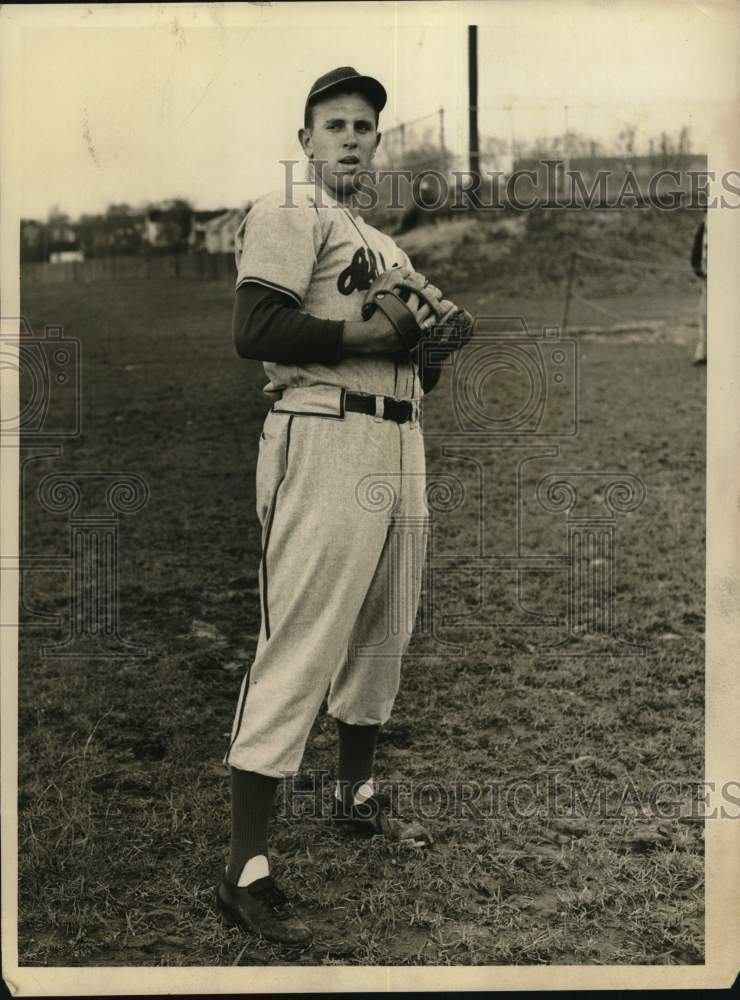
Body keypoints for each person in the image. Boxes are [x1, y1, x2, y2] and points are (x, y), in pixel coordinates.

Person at [216, 67, 456, 947]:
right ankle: (246, 870)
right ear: (308, 136)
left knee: (384, 627)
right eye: (336, 123)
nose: (352, 136)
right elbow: (255, 330)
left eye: (365, 125)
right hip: (321, 434)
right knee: (305, 636)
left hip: (400, 436)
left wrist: (432, 350)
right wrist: (370, 334)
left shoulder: (384, 243)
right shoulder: (288, 209)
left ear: (377, 143)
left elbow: (409, 356)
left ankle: (355, 796)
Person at [691, 213, 707, 365]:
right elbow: (697, 247)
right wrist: (697, 268)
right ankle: (702, 352)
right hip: (708, 277)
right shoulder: (705, 226)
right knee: (704, 314)